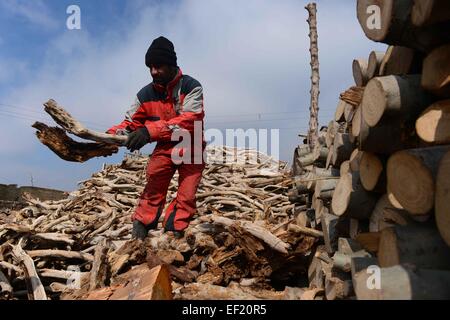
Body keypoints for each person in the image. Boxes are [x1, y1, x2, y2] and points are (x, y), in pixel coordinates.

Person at [107, 36, 205, 240]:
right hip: (164, 145)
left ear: (171, 65)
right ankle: (140, 232)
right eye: (150, 67)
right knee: (153, 187)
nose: (153, 71)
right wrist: (109, 137)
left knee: (186, 194)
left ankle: (174, 233)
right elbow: (130, 123)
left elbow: (190, 119)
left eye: (158, 66)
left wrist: (148, 131)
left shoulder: (191, 86)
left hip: (191, 144)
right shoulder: (145, 94)